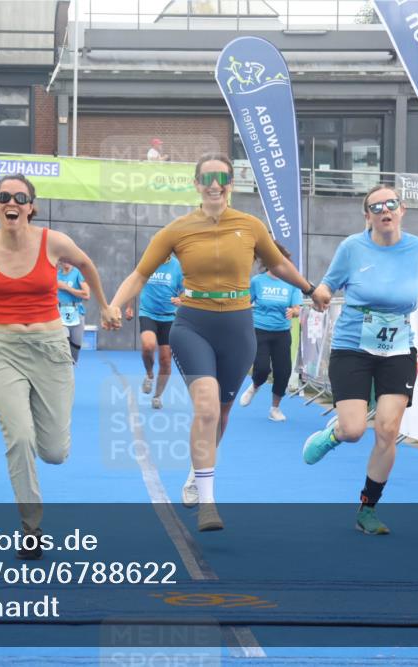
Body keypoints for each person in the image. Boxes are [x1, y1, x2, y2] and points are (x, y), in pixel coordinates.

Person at [108, 154, 314, 530]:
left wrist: (308, 289)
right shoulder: (176, 230)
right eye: (207, 178)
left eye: (222, 177)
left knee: (220, 414)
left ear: (231, 183)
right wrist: (114, 305)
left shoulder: (250, 225)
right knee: (204, 408)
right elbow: (140, 274)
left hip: (238, 327)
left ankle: (195, 473)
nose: (214, 184)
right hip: (193, 325)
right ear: (197, 184)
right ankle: (208, 503)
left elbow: (279, 264)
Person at [0, 174, 119, 559]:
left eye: (20, 197)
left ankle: (43, 437)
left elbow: (86, 265)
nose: (12, 202)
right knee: (18, 438)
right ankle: (30, 528)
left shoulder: (54, 242)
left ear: (31, 206)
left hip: (50, 348)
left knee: (53, 452)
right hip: (3, 350)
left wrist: (104, 305)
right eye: (4, 197)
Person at [303, 185, 418, 536]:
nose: (385, 210)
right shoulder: (352, 248)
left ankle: (368, 508)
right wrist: (318, 294)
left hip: (398, 349)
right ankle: (333, 434)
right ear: (367, 216)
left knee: (388, 430)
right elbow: (327, 287)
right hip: (353, 346)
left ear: (402, 209)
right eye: (376, 206)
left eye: (390, 204)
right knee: (353, 430)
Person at [238, 241, 301, 422]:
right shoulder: (257, 281)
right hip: (260, 330)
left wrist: (293, 311)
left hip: (282, 333)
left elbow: (297, 308)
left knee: (283, 372)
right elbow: (245, 302)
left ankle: (275, 408)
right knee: (263, 368)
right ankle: (255, 385)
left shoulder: (291, 283)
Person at [124, 254, 183, 409]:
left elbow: (185, 291)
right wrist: (129, 307)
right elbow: (134, 283)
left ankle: (157, 396)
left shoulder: (178, 266)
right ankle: (149, 374)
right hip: (148, 313)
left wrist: (181, 300)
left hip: (169, 317)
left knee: (165, 360)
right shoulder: (149, 260)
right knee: (148, 346)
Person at [56, 259, 89, 362]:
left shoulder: (77, 273)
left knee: (74, 352)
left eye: (68, 259)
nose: (66, 261)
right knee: (63, 347)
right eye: (64, 259)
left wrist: (66, 287)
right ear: (60, 261)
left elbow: (86, 295)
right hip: (60, 314)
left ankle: (70, 370)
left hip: (76, 314)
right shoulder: (56, 275)